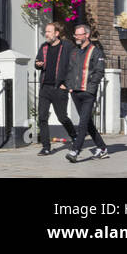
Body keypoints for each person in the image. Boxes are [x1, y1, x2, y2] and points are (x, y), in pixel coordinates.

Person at [64, 23, 108, 161]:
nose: (76, 37)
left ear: (87, 35)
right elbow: (69, 71)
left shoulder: (96, 51)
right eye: (75, 34)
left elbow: (99, 71)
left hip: (88, 93)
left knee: (82, 122)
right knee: (87, 122)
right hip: (75, 92)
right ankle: (102, 148)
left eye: (79, 34)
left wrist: (91, 87)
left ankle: (75, 151)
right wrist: (69, 86)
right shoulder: (74, 51)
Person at [33, 21, 76, 155]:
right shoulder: (44, 47)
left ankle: (74, 135)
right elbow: (37, 62)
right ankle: (46, 147)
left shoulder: (67, 46)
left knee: (62, 117)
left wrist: (67, 85)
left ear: (57, 33)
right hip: (45, 87)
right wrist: (38, 64)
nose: (46, 34)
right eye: (46, 31)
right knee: (42, 117)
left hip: (59, 88)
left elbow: (74, 66)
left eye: (48, 31)